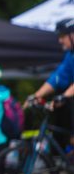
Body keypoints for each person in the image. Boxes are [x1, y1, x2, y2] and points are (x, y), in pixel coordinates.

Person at [25, 18, 73, 146]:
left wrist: (64, 95)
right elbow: (57, 78)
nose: (60, 40)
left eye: (63, 36)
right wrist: (37, 95)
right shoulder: (70, 56)